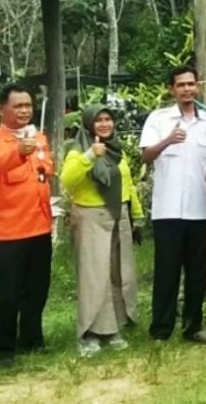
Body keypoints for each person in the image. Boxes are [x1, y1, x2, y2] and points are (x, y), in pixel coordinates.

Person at [138, 64, 206, 343]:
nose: (186, 89)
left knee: (197, 272)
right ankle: (161, 329)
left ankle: (193, 326)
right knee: (167, 272)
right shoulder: (159, 119)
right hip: (168, 210)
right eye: (181, 85)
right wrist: (168, 140)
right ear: (171, 89)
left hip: (198, 209)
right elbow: (145, 156)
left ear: (197, 87)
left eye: (190, 84)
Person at [61, 104, 144, 356]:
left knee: (118, 272)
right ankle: (90, 332)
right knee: (94, 276)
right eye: (99, 120)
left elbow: (127, 184)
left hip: (119, 215)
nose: (105, 124)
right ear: (89, 124)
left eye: (108, 119)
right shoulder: (77, 150)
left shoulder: (116, 150)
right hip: (91, 216)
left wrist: (137, 214)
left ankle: (114, 327)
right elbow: (66, 180)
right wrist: (89, 156)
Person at [0, 85, 54, 368]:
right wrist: (17, 152)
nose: (25, 110)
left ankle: (31, 339)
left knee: (36, 289)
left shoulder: (38, 138)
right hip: (5, 233)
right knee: (4, 293)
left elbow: (46, 170)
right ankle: (0, 348)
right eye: (18, 106)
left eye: (28, 105)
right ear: (1, 109)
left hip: (39, 227)